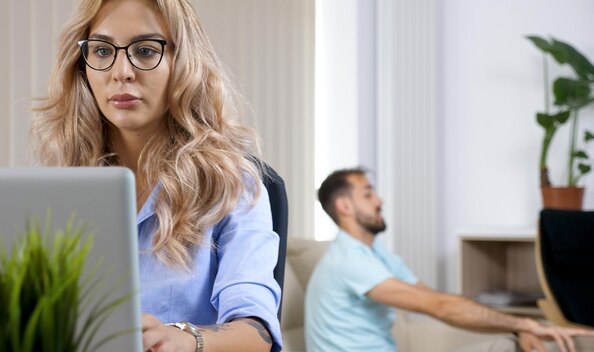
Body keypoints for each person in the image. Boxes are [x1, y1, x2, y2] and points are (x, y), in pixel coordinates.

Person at [30, 0, 282, 351]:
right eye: (102, 50)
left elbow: (257, 334)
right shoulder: (61, 187)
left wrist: (184, 339)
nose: (121, 72)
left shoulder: (232, 182)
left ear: (184, 63)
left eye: (145, 51)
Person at [305, 167, 593, 352]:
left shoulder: (376, 253)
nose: (380, 200)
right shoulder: (347, 260)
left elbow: (431, 298)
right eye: (368, 194)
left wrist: (518, 326)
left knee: (511, 345)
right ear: (344, 206)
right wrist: (526, 324)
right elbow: (439, 306)